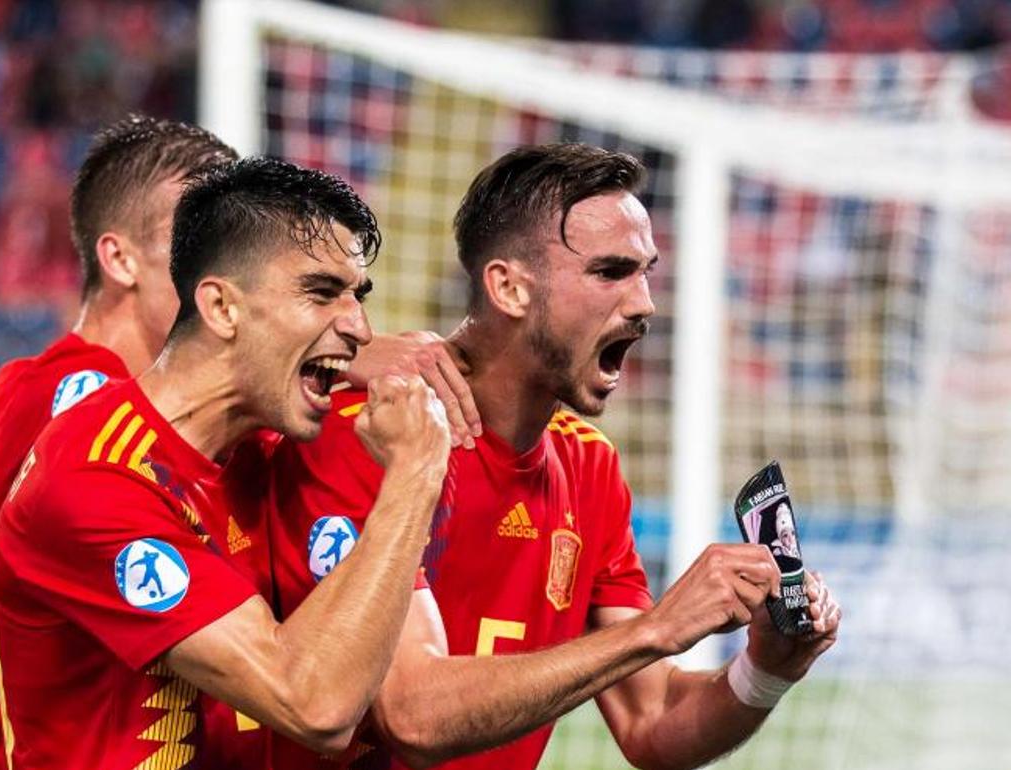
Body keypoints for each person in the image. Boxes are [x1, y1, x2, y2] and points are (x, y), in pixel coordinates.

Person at [259, 144, 842, 769]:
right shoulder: (367, 433)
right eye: (610, 272)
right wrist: (655, 629)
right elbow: (414, 715)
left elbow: (651, 722)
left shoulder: (589, 466)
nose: (644, 303)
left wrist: (764, 671)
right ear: (508, 287)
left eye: (646, 271)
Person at [0, 157, 453, 768]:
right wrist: (413, 474)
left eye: (357, 296)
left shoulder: (263, 453)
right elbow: (315, 707)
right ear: (222, 307)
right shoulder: (93, 476)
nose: (361, 328)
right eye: (321, 292)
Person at [0, 114, 238, 770]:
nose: (221, 270)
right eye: (195, 239)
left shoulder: (53, 391)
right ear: (119, 259)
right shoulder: (80, 399)